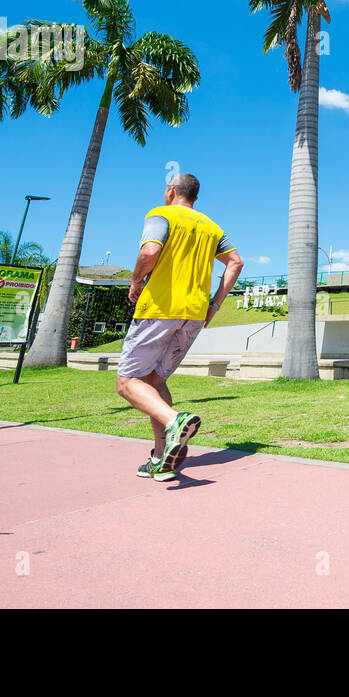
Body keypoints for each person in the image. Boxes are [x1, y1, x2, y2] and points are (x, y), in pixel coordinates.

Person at [116, 173, 244, 481]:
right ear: (196, 198)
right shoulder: (212, 228)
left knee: (127, 382)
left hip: (161, 308)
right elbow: (236, 262)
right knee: (154, 382)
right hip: (195, 314)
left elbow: (149, 251)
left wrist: (136, 281)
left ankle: (176, 421)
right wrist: (214, 304)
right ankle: (161, 458)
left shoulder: (162, 214)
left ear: (171, 191)